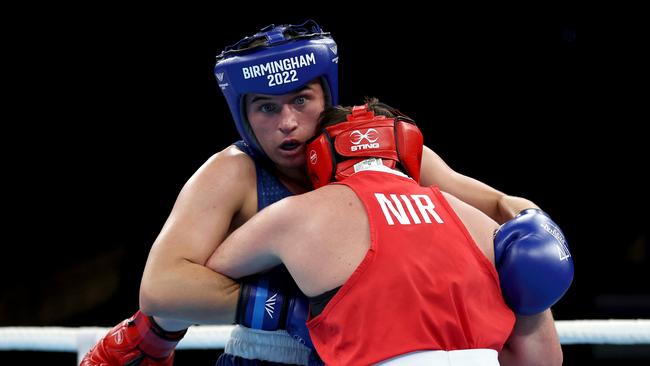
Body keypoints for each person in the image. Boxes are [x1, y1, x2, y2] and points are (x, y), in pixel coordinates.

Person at [81, 20, 556, 366]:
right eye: (266, 108)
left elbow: (492, 202)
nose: (287, 123)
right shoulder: (232, 173)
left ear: (328, 98)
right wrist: (295, 312)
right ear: (242, 116)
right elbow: (162, 288)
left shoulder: (379, 149)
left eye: (300, 101)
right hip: (275, 359)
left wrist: (537, 225)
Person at [207, 101, 574, 365]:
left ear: (319, 158)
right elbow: (542, 361)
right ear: (408, 152)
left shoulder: (296, 215)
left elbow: (208, 271)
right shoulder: (481, 224)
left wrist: (281, 308)